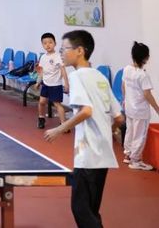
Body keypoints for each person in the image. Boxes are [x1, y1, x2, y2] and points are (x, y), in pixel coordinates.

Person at [44, 30, 124, 228]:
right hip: (103, 154)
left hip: (88, 155)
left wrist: (59, 129)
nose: (61, 53)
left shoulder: (77, 76)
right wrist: (109, 130)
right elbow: (119, 117)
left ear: (80, 51)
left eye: (64, 49)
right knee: (91, 210)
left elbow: (86, 110)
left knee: (81, 209)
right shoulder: (100, 77)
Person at [123, 42, 159, 170]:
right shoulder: (143, 75)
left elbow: (123, 85)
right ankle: (136, 161)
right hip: (140, 111)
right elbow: (147, 94)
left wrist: (125, 100)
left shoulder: (127, 69)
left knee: (130, 131)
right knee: (139, 135)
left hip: (129, 107)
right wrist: (157, 109)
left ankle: (127, 155)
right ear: (145, 58)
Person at [36, 32, 68, 129]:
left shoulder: (58, 56)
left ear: (55, 43)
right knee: (41, 102)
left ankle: (64, 125)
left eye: (50, 42)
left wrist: (66, 83)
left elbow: (63, 70)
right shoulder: (43, 57)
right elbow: (41, 71)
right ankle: (41, 118)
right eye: (45, 43)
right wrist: (38, 82)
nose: (48, 45)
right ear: (42, 45)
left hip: (56, 85)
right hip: (45, 84)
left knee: (57, 104)